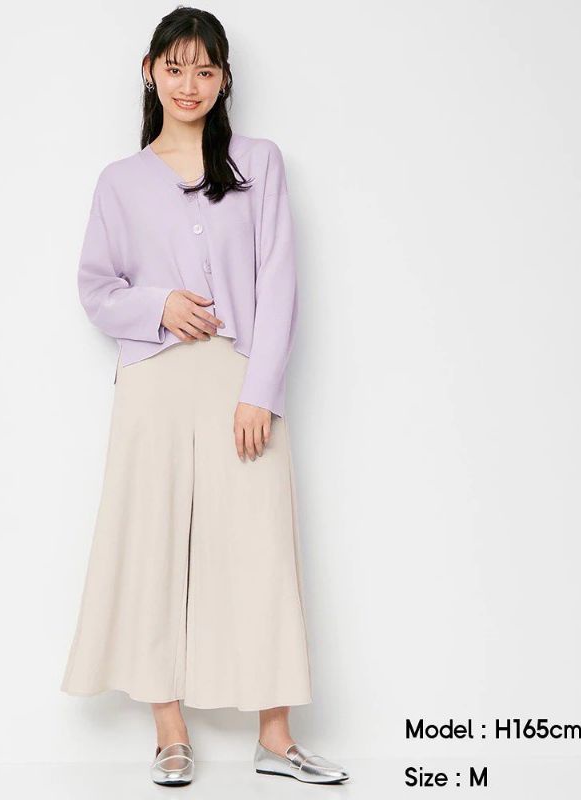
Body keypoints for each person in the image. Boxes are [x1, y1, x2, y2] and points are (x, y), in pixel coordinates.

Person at [60, 6, 350, 787]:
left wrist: (261, 390)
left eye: (205, 69)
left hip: (237, 378)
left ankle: (277, 738)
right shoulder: (119, 181)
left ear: (224, 79)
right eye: (175, 67)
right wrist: (157, 303)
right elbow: (96, 288)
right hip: (153, 382)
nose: (189, 84)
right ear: (149, 72)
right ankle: (169, 732)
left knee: (259, 546)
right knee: (152, 544)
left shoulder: (258, 162)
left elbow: (279, 281)